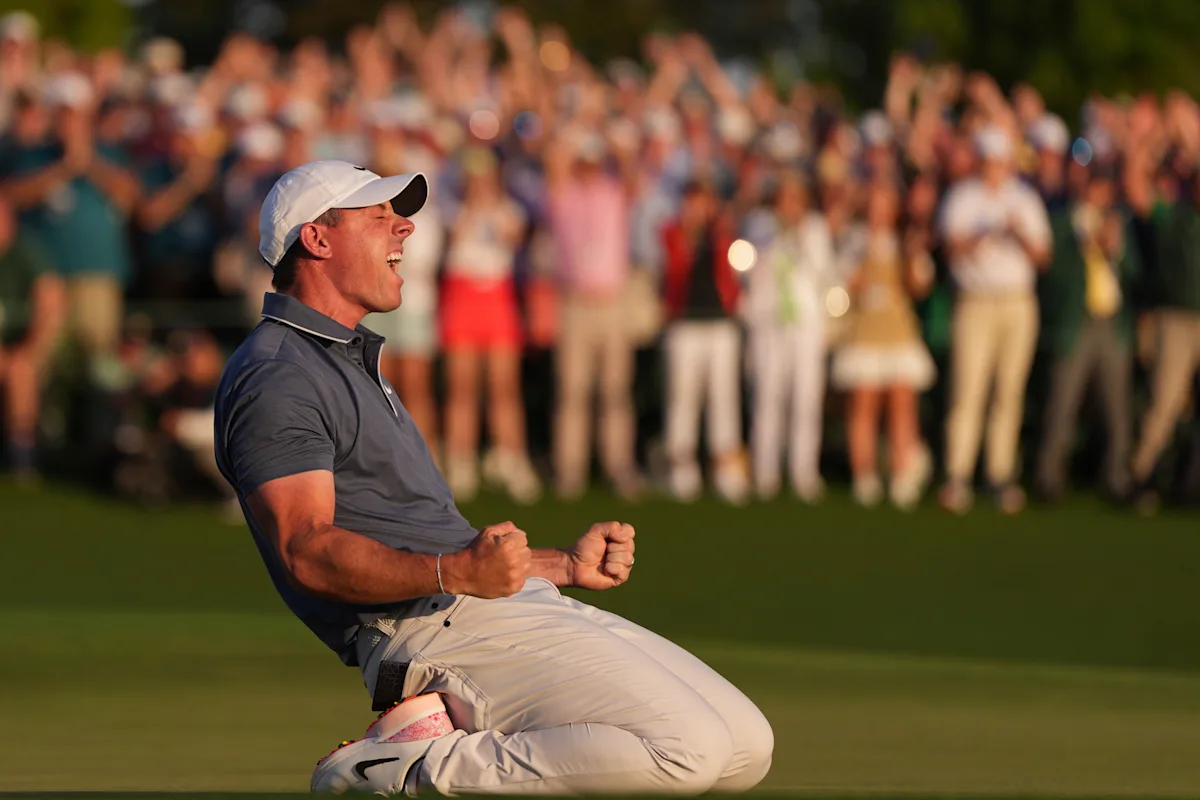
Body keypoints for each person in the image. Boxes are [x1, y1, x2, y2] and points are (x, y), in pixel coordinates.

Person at [214, 160, 773, 796]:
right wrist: (455, 573)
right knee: (688, 750)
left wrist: (559, 565)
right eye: (378, 217)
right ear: (317, 239)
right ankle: (396, 772)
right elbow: (306, 551)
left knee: (746, 746)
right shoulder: (278, 374)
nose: (405, 228)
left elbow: (426, 540)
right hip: (425, 628)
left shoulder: (341, 356)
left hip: (474, 606)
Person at [937, 125, 1051, 514]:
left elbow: (1042, 256)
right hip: (975, 301)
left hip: (1016, 302)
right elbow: (951, 247)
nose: (995, 168)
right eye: (989, 161)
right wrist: (984, 234)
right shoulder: (963, 197)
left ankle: (1000, 474)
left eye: (1000, 161)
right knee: (968, 389)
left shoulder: (1024, 199)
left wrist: (1017, 234)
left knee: (1008, 391)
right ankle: (957, 474)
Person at [437, 146, 541, 504]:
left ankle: (511, 459)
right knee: (462, 385)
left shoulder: (509, 209)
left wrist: (490, 208)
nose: (479, 183)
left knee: (503, 386)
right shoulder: (452, 207)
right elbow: (453, 237)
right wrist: (473, 206)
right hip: (461, 296)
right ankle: (461, 461)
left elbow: (514, 237)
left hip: (497, 297)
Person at [831, 180, 936, 509]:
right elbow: (848, 284)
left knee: (902, 405)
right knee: (863, 404)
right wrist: (866, 252)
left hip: (898, 333)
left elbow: (919, 287)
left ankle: (902, 473)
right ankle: (864, 475)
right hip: (864, 332)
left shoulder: (904, 243)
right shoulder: (855, 240)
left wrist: (911, 254)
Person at [742, 171, 836, 502]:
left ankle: (803, 472)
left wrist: (798, 233)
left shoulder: (815, 229)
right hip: (770, 322)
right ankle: (765, 472)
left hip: (805, 323)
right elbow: (747, 268)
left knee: (805, 398)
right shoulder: (760, 225)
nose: (789, 205)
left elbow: (822, 271)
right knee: (768, 395)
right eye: (784, 198)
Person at [659, 179, 748, 503]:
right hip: (685, 323)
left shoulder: (723, 235)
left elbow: (733, 275)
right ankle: (681, 468)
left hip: (719, 324)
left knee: (723, 399)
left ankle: (727, 469)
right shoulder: (673, 233)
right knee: (682, 398)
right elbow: (672, 269)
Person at [0, 193, 65, 482]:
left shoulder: (28, 253)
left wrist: (28, 351)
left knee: (21, 371)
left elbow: (51, 309)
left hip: (23, 349)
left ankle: (21, 452)